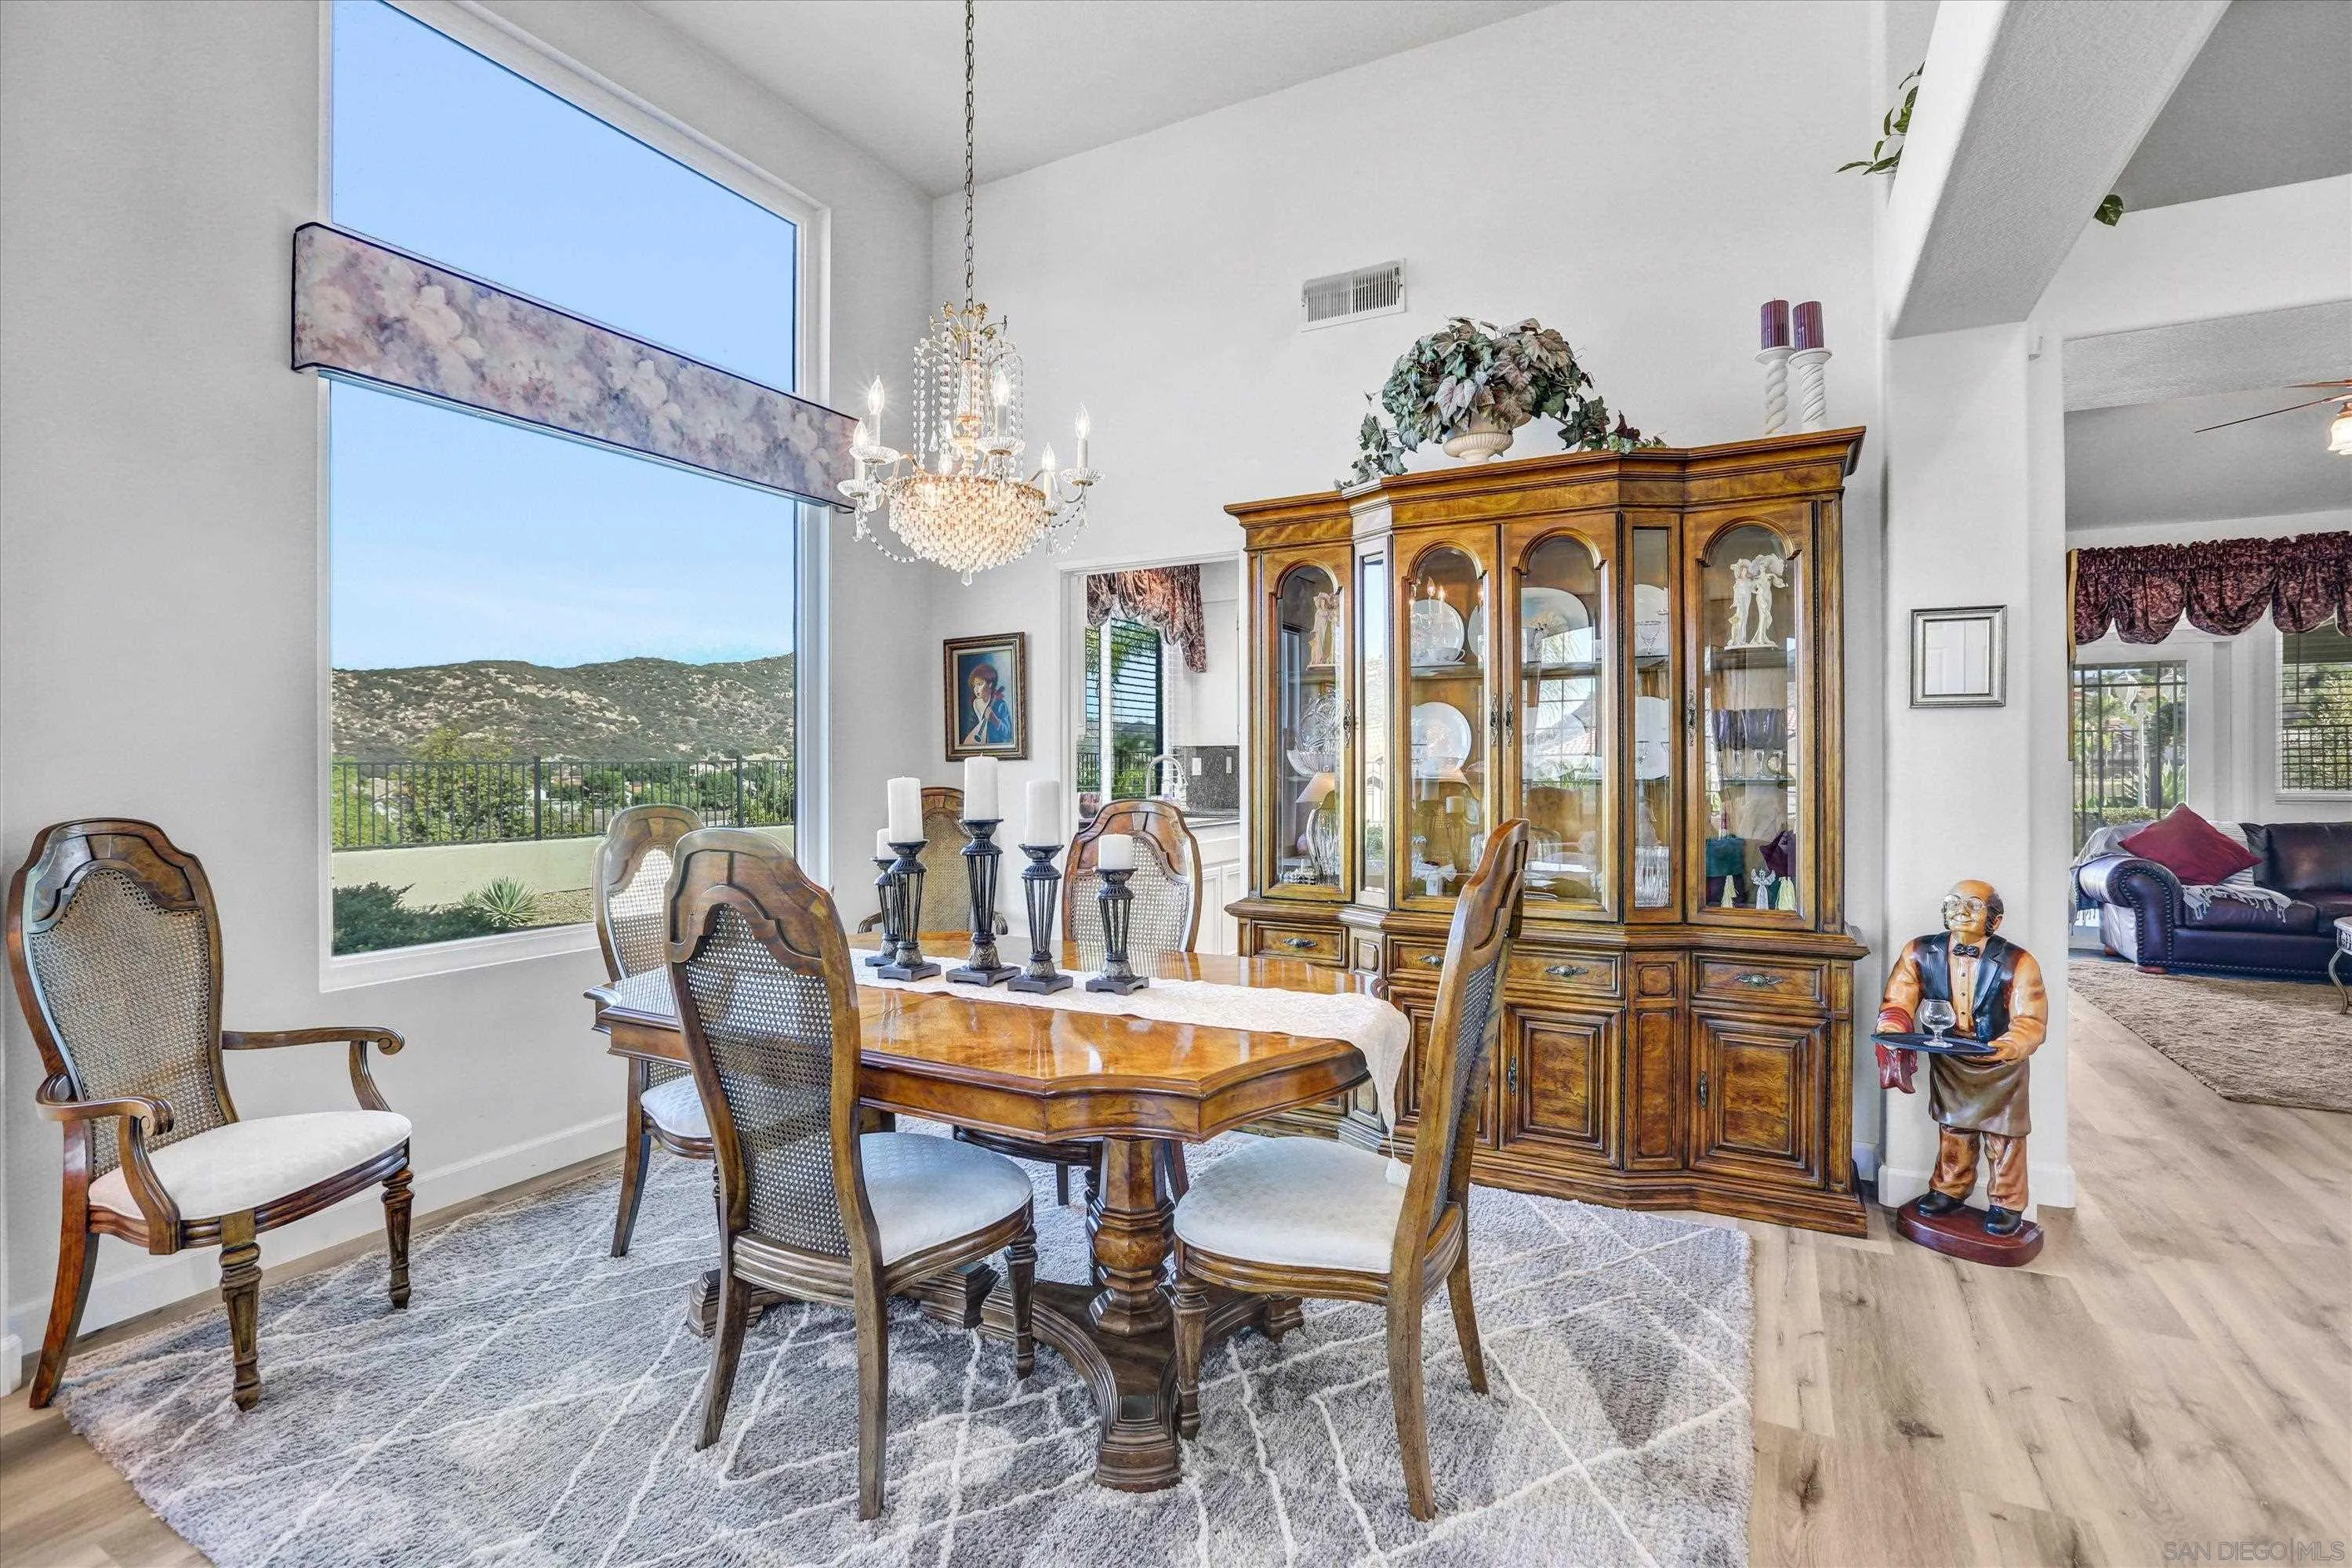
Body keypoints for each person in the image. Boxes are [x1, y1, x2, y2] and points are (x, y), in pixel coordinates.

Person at [1876, 878, 2048, 1236]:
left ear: (1995, 919)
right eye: (1953, 903)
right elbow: (1899, 999)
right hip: (1950, 1056)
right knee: (1953, 1126)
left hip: (2000, 1062)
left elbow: (2030, 1019)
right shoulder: (1920, 951)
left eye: (1973, 905)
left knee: (2005, 1134)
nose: (1961, 911)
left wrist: (2011, 1045)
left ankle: (2007, 1202)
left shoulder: (2019, 961)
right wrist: (1892, 1027)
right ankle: (1949, 1189)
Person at [960, 660, 1014, 749]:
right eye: (974, 686)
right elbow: (971, 729)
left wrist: (995, 720)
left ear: (990, 684)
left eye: (980, 684)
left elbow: (1008, 732)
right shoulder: (975, 704)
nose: (976, 689)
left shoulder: (1000, 705)